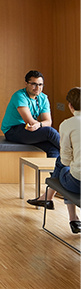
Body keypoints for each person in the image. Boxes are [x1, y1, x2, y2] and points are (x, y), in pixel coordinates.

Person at [4, 70, 61, 209]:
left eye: (40, 85)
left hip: (33, 130)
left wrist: (39, 125)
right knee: (49, 133)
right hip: (14, 130)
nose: (37, 88)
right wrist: (40, 125)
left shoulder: (43, 97)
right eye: (34, 84)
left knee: (53, 148)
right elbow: (28, 122)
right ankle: (74, 151)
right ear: (26, 84)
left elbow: (48, 121)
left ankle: (57, 185)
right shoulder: (19, 95)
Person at [56, 88, 81, 234]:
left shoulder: (67, 124)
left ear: (70, 106)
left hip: (77, 183)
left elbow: (65, 160)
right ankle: (47, 197)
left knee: (61, 165)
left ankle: (73, 218)